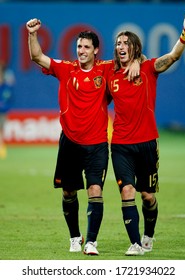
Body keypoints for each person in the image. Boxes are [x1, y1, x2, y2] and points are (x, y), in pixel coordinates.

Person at [26, 19, 138, 256]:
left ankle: (92, 242)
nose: (82, 51)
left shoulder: (106, 69)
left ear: (96, 50)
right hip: (70, 142)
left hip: (97, 143)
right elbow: (37, 57)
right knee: (68, 192)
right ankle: (75, 237)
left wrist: (137, 59)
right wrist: (32, 35)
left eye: (87, 47)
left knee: (95, 189)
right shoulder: (66, 68)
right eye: (79, 47)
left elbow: (129, 56)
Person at [107, 8, 185, 256]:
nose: (120, 46)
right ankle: (135, 243)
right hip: (121, 144)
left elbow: (174, 55)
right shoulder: (110, 73)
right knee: (127, 191)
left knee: (147, 196)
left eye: (125, 43)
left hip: (147, 143)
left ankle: (148, 235)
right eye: (118, 43)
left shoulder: (148, 68)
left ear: (134, 47)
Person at [0, 61, 15, 159]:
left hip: (2, 112)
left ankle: (1, 147)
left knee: (1, 130)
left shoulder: (6, 87)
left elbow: (7, 102)